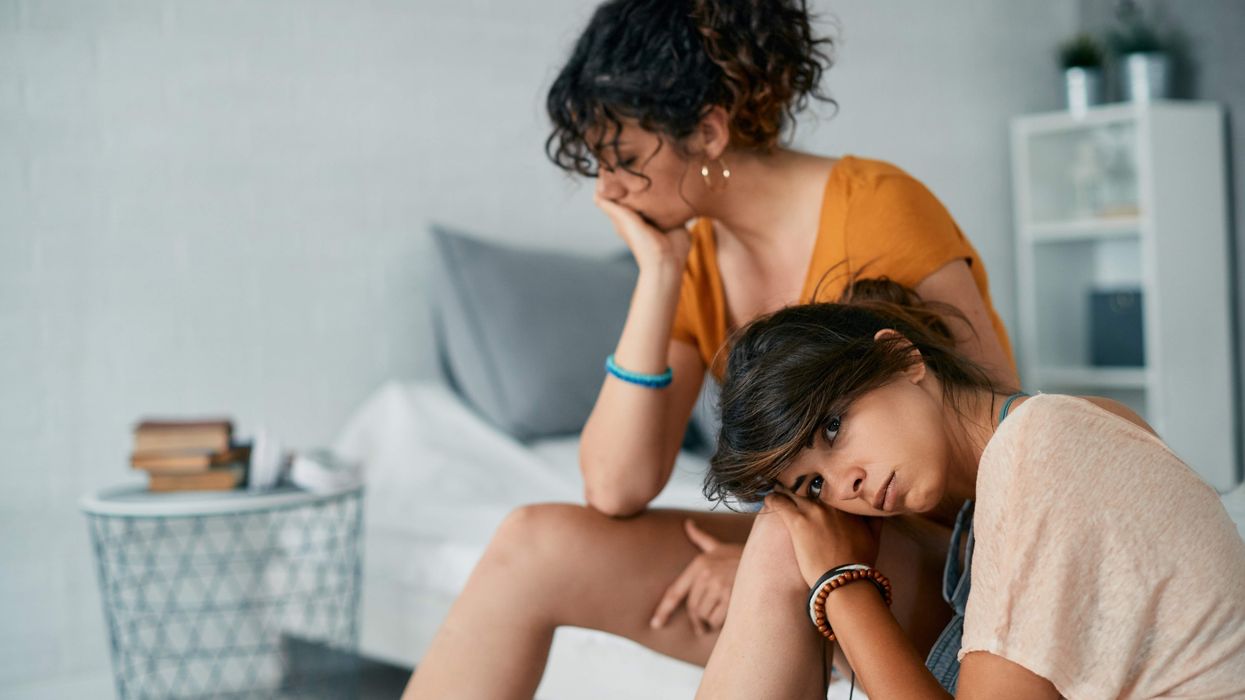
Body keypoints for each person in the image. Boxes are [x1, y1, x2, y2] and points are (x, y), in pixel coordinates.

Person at [403, 0, 1017, 696]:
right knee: (531, 544)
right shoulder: (698, 257)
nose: (607, 191)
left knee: (774, 545)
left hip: (949, 571)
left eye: (625, 159)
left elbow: (998, 455)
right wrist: (659, 272)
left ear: (708, 131)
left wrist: (777, 564)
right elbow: (615, 486)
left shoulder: (877, 208)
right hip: (814, 541)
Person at [698, 279, 1245, 699]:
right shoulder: (1060, 427)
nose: (846, 483)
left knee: (782, 541)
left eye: (833, 428)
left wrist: (840, 582)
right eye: (814, 483)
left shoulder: (1039, 451)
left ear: (903, 358)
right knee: (786, 530)